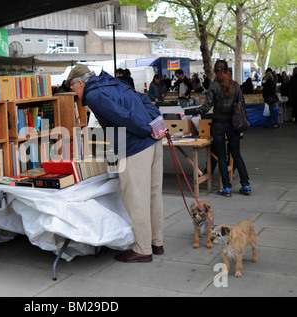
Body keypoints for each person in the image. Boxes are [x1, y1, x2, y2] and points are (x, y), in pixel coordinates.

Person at [66, 64, 166, 263]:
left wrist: (145, 130)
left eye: (72, 87)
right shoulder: (115, 81)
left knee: (136, 199)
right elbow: (144, 99)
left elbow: (122, 117)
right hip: (154, 142)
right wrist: (156, 124)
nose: (74, 92)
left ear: (79, 82)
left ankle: (143, 248)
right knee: (154, 194)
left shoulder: (93, 95)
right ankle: (157, 242)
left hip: (134, 145)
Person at [180, 60, 251, 197]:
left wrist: (187, 112)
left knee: (221, 156)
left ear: (215, 70)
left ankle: (226, 187)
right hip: (233, 123)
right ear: (227, 70)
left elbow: (206, 108)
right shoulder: (235, 85)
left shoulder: (213, 86)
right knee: (236, 154)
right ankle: (246, 184)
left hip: (218, 123)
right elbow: (242, 105)